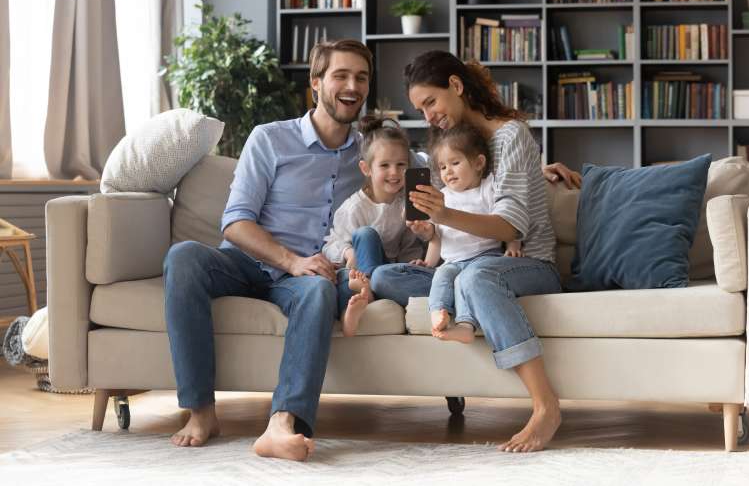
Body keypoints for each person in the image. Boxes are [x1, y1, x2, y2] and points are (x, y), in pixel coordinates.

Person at [163, 39, 376, 462]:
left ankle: (283, 424)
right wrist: (291, 261)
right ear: (316, 83)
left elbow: (445, 168)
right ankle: (202, 410)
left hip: (311, 277)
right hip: (248, 262)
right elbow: (236, 222)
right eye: (341, 75)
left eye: (362, 77)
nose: (352, 85)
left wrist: (539, 168)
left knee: (317, 290)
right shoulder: (270, 139)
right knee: (184, 256)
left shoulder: (371, 153)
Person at [371, 50, 581, 453]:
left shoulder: (511, 135)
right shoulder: (452, 147)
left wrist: (444, 212)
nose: (428, 116)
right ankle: (460, 306)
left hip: (524, 263)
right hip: (460, 263)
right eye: (420, 108)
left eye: (431, 102)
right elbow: (471, 194)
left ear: (456, 85)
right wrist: (428, 226)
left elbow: (510, 226)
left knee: (477, 276)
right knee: (385, 276)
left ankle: (546, 406)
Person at [411, 124, 523, 344]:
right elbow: (438, 238)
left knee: (465, 282)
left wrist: (513, 245)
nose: (448, 171)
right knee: (441, 277)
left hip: (485, 257)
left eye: (455, 163)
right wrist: (428, 261)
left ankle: (465, 326)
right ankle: (439, 313)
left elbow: (509, 220)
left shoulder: (488, 188)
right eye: (442, 167)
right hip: (452, 261)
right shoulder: (442, 196)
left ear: (478, 163)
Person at [321, 115, 422, 336]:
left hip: (385, 275)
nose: (394, 173)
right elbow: (329, 245)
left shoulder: (406, 206)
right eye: (384, 165)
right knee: (365, 237)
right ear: (366, 168)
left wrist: (412, 263)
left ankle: (371, 292)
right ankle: (358, 302)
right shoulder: (355, 207)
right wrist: (348, 252)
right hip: (357, 273)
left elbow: (408, 247)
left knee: (390, 274)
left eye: (401, 165)